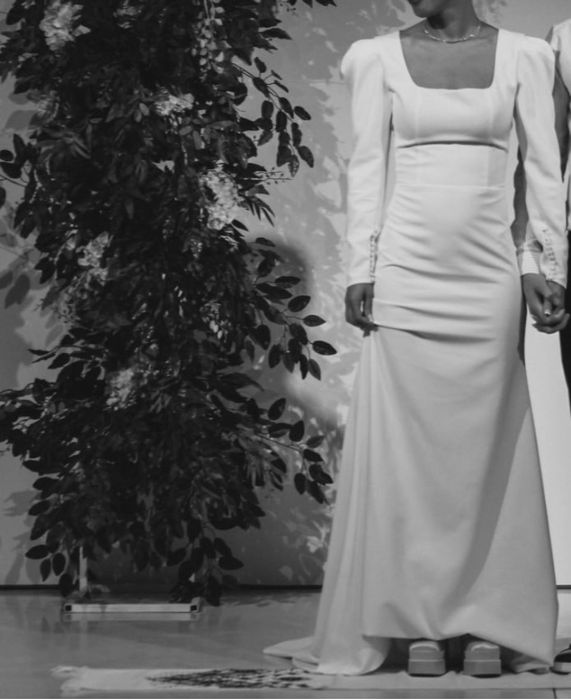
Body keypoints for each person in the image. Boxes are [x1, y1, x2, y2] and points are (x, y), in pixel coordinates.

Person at [265, 0, 568, 676]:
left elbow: (543, 173)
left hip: (487, 274)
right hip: (406, 270)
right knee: (412, 453)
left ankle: (485, 619)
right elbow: (366, 167)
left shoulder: (526, 56)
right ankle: (418, 623)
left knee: (483, 448)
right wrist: (361, 269)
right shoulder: (375, 58)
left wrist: (544, 266)